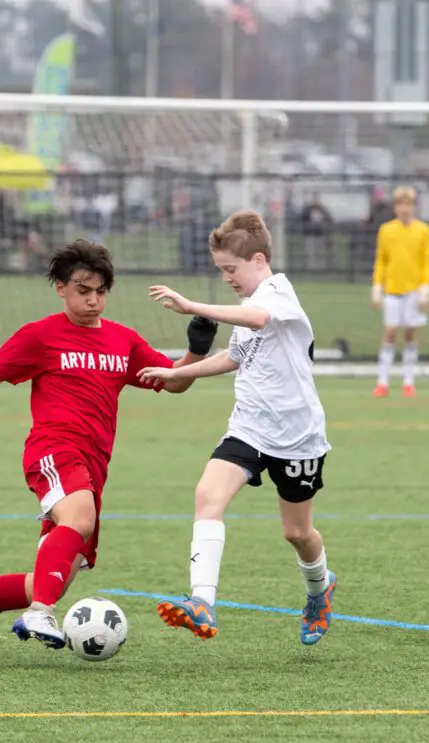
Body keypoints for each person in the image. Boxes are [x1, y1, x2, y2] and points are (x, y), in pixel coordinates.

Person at [0, 240, 218, 655]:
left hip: (93, 468)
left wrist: (196, 350)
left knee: (49, 576)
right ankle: (41, 612)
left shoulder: (123, 341)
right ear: (61, 288)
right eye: (82, 290)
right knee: (77, 522)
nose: (93, 300)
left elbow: (176, 381)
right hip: (53, 451)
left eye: (100, 291)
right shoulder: (40, 336)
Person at [136, 210, 336, 646]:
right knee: (207, 495)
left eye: (231, 269)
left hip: (297, 435)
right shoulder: (248, 305)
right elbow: (234, 357)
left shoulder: (278, 294)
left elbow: (260, 320)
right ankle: (202, 601)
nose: (226, 277)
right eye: (221, 270)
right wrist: (175, 374)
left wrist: (191, 305)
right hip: (249, 427)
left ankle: (320, 591)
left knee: (297, 532)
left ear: (259, 260)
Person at [371, 186, 429, 397]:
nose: (404, 208)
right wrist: (377, 287)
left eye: (408, 204)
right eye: (400, 204)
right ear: (395, 207)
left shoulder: (423, 230)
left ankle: (408, 381)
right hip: (392, 290)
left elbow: (427, 261)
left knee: (410, 333)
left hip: (414, 290)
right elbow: (382, 260)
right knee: (390, 331)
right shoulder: (386, 230)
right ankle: (382, 381)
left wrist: (425, 289)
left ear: (414, 206)